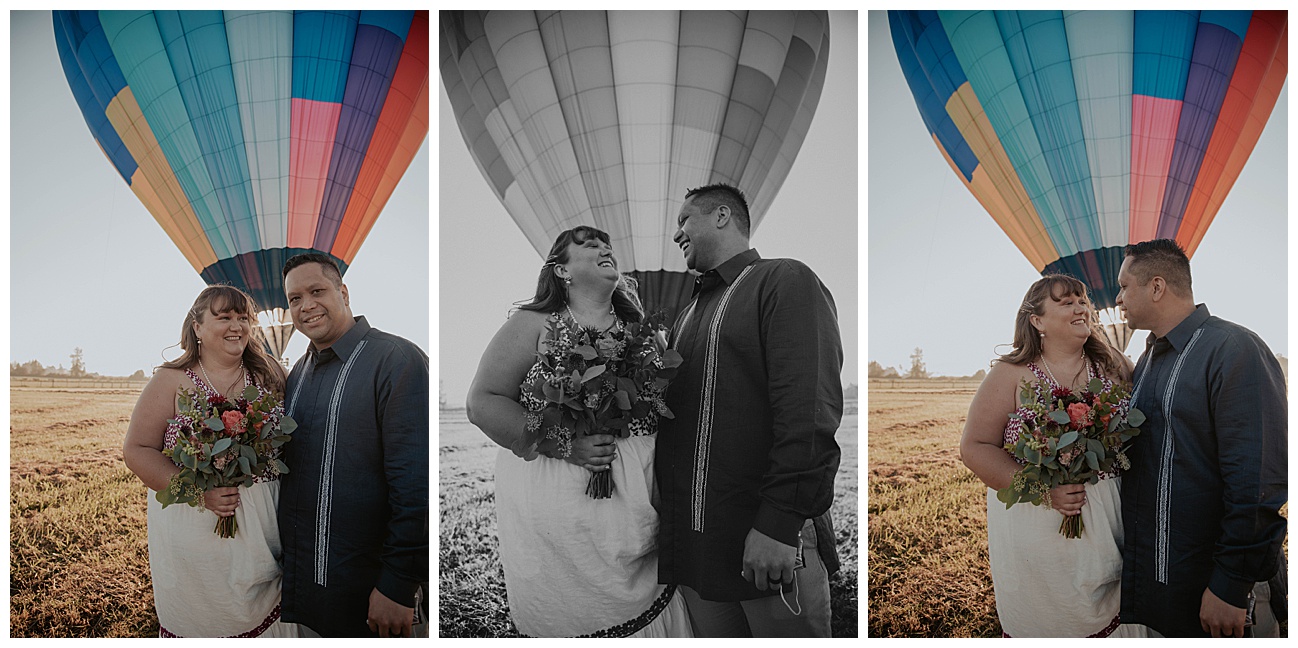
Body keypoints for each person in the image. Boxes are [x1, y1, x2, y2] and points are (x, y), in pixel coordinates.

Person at [466, 225, 693, 637]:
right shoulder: (533, 324)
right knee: (574, 605)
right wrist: (565, 445)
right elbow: (482, 402)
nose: (606, 249)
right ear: (562, 270)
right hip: (557, 491)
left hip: (642, 491)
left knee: (651, 595)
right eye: (590, 246)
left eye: (607, 245)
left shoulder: (643, 331)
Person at [655, 183, 842, 637]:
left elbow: (808, 413)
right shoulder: (686, 315)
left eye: (684, 220)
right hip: (697, 552)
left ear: (722, 216)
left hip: (765, 543)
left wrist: (779, 526)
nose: (676, 234)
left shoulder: (783, 280)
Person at [1114, 239, 1286, 638]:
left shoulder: (1233, 348)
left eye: (1124, 286)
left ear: (1157, 287)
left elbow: (1258, 480)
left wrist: (1231, 583)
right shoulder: (1148, 359)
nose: (1118, 298)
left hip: (1222, 589)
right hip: (1167, 582)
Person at [960, 274, 1144, 638]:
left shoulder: (1114, 364)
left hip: (1109, 516)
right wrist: (1045, 492)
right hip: (1036, 524)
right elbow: (974, 447)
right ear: (1037, 320)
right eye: (1066, 302)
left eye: (1083, 301)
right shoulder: (1010, 374)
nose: (1081, 308)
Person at [124, 285, 298, 637]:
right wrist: (199, 494)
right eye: (224, 317)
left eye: (243, 317)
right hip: (194, 529)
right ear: (197, 327)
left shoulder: (270, 373)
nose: (237, 326)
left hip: (264, 525)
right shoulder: (170, 380)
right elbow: (137, 450)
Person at [276, 253, 429, 637]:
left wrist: (398, 583)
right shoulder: (297, 374)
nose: (306, 305)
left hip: (372, 591)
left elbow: (416, 482)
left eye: (317, 291)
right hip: (307, 587)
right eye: (295, 299)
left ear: (343, 293)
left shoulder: (396, 360)